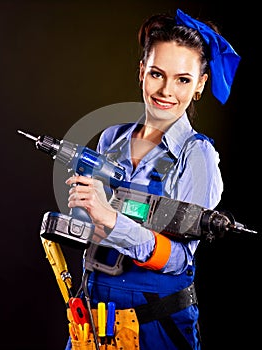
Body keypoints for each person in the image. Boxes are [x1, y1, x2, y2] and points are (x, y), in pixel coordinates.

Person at [64, 8, 241, 350]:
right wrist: (81, 216)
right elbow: (96, 233)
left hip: (154, 328)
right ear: (142, 71)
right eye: (157, 74)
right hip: (91, 323)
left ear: (201, 85)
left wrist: (111, 219)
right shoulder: (111, 139)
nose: (166, 91)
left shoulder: (197, 157)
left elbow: (178, 260)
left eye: (183, 79)